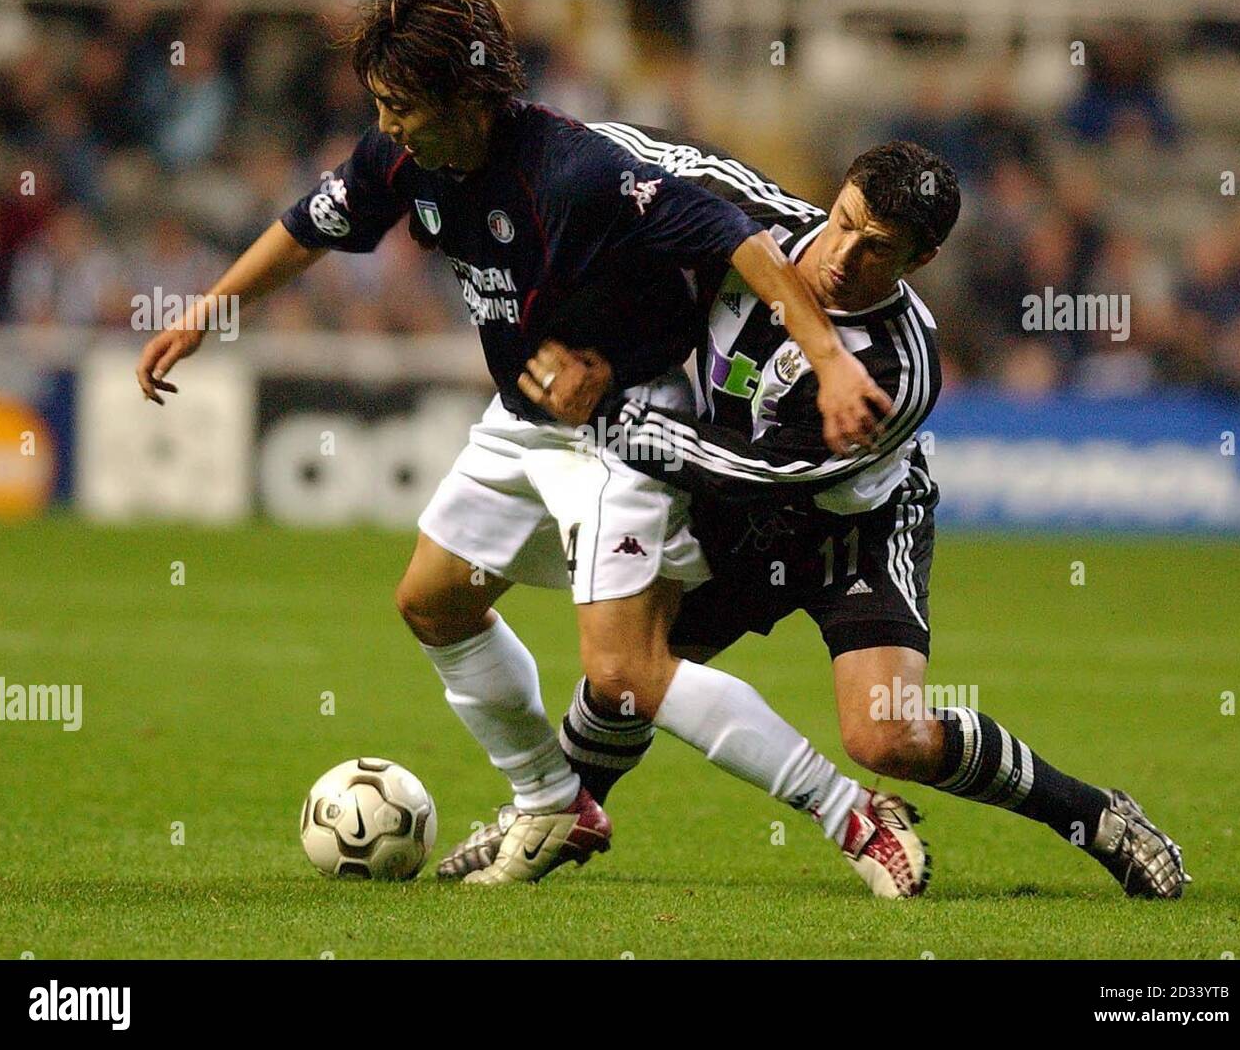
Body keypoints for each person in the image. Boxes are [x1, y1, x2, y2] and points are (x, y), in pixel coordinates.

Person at [134, 0, 926, 894]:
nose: (387, 122)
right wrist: (207, 312)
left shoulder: (579, 173)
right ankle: (552, 797)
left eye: (401, 104)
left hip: (623, 427)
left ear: (467, 97)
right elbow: (310, 227)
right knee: (434, 601)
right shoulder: (400, 158)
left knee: (628, 675)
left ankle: (853, 816)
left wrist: (829, 357)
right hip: (522, 417)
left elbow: (735, 240)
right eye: (380, 103)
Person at [465, 139, 1188, 899]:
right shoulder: (750, 218)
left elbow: (753, 471)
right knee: (624, 675)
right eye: (844, 221)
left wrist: (608, 414)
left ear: (923, 258)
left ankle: (1097, 817)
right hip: (739, 526)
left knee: (887, 736)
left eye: (878, 249)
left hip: (854, 534)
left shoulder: (899, 366)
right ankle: (541, 821)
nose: (844, 255)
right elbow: (620, 153)